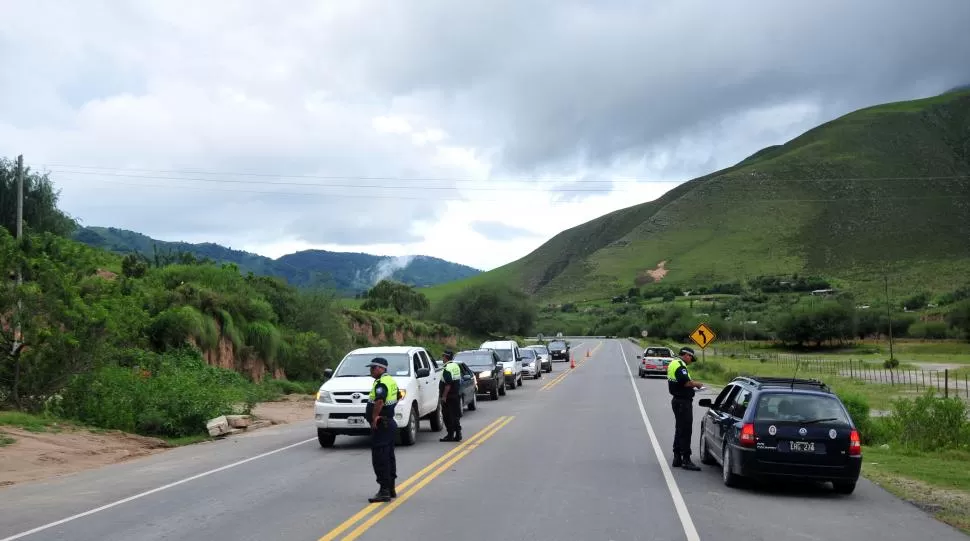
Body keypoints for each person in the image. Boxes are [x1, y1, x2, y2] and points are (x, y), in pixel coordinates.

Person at [364, 357, 399, 502]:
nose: (371, 370)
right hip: (388, 423)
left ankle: (384, 490)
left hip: (382, 425)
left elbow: (379, 401)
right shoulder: (390, 381)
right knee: (388, 456)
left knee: (380, 458)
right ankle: (390, 488)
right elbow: (398, 396)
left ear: (382, 368)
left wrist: (374, 418)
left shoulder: (382, 383)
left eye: (373, 367)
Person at [667, 346, 704, 471]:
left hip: (678, 400)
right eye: (690, 358)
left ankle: (677, 457)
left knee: (680, 429)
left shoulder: (674, 363)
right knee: (686, 430)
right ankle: (686, 460)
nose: (690, 360)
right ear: (686, 355)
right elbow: (686, 382)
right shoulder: (680, 366)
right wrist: (697, 384)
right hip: (683, 402)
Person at [438, 349, 463, 442]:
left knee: (447, 416)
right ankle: (458, 434)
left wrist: (444, 396)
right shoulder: (456, 366)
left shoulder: (447, 368)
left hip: (449, 397)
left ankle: (450, 435)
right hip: (456, 395)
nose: (442, 358)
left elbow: (448, 384)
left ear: (446, 357)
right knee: (455, 415)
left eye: (443, 356)